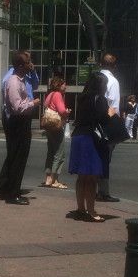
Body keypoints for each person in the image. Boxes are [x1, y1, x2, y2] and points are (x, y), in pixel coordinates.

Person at [0, 51, 40, 205]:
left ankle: (2, 189)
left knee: (16, 157)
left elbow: (35, 84)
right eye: (27, 62)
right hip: (17, 122)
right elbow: (17, 107)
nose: (30, 65)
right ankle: (12, 194)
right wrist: (32, 103)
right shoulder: (13, 82)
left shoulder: (22, 79)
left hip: (21, 121)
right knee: (18, 158)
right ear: (20, 65)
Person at [68, 72, 114, 223]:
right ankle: (91, 211)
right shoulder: (100, 99)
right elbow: (103, 119)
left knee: (82, 177)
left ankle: (81, 209)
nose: (106, 87)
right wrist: (111, 113)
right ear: (100, 85)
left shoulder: (82, 98)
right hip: (90, 139)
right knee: (92, 177)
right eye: (105, 84)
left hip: (78, 136)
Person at [96, 53, 121, 203]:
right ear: (114, 66)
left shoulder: (94, 78)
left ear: (100, 64)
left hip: (92, 123)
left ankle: (92, 190)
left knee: (96, 157)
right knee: (105, 158)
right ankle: (103, 192)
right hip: (106, 124)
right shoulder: (113, 81)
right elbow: (114, 107)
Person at [41, 76, 69, 190]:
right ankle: (55, 180)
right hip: (56, 126)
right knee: (60, 153)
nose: (66, 86)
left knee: (51, 152)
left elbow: (45, 105)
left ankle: (48, 178)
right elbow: (61, 110)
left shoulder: (50, 94)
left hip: (49, 126)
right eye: (64, 84)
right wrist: (67, 112)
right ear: (59, 85)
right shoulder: (58, 95)